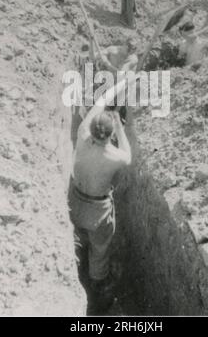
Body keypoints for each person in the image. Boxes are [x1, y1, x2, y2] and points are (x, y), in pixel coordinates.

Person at [68, 79, 133, 311]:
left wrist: (120, 84)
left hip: (75, 203)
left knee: (79, 240)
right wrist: (120, 127)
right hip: (98, 213)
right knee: (100, 252)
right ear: (109, 136)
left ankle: (77, 273)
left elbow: (101, 101)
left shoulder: (83, 131)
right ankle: (97, 292)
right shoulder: (115, 156)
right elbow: (128, 155)